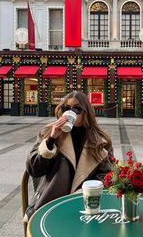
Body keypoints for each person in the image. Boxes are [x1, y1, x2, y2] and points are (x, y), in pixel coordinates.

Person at [24, 91, 113, 220]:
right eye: (66, 108)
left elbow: (107, 176)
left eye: (77, 109)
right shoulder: (48, 132)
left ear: (86, 113)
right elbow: (34, 170)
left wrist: (82, 193)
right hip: (50, 204)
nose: (71, 112)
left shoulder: (100, 141)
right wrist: (51, 140)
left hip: (86, 205)